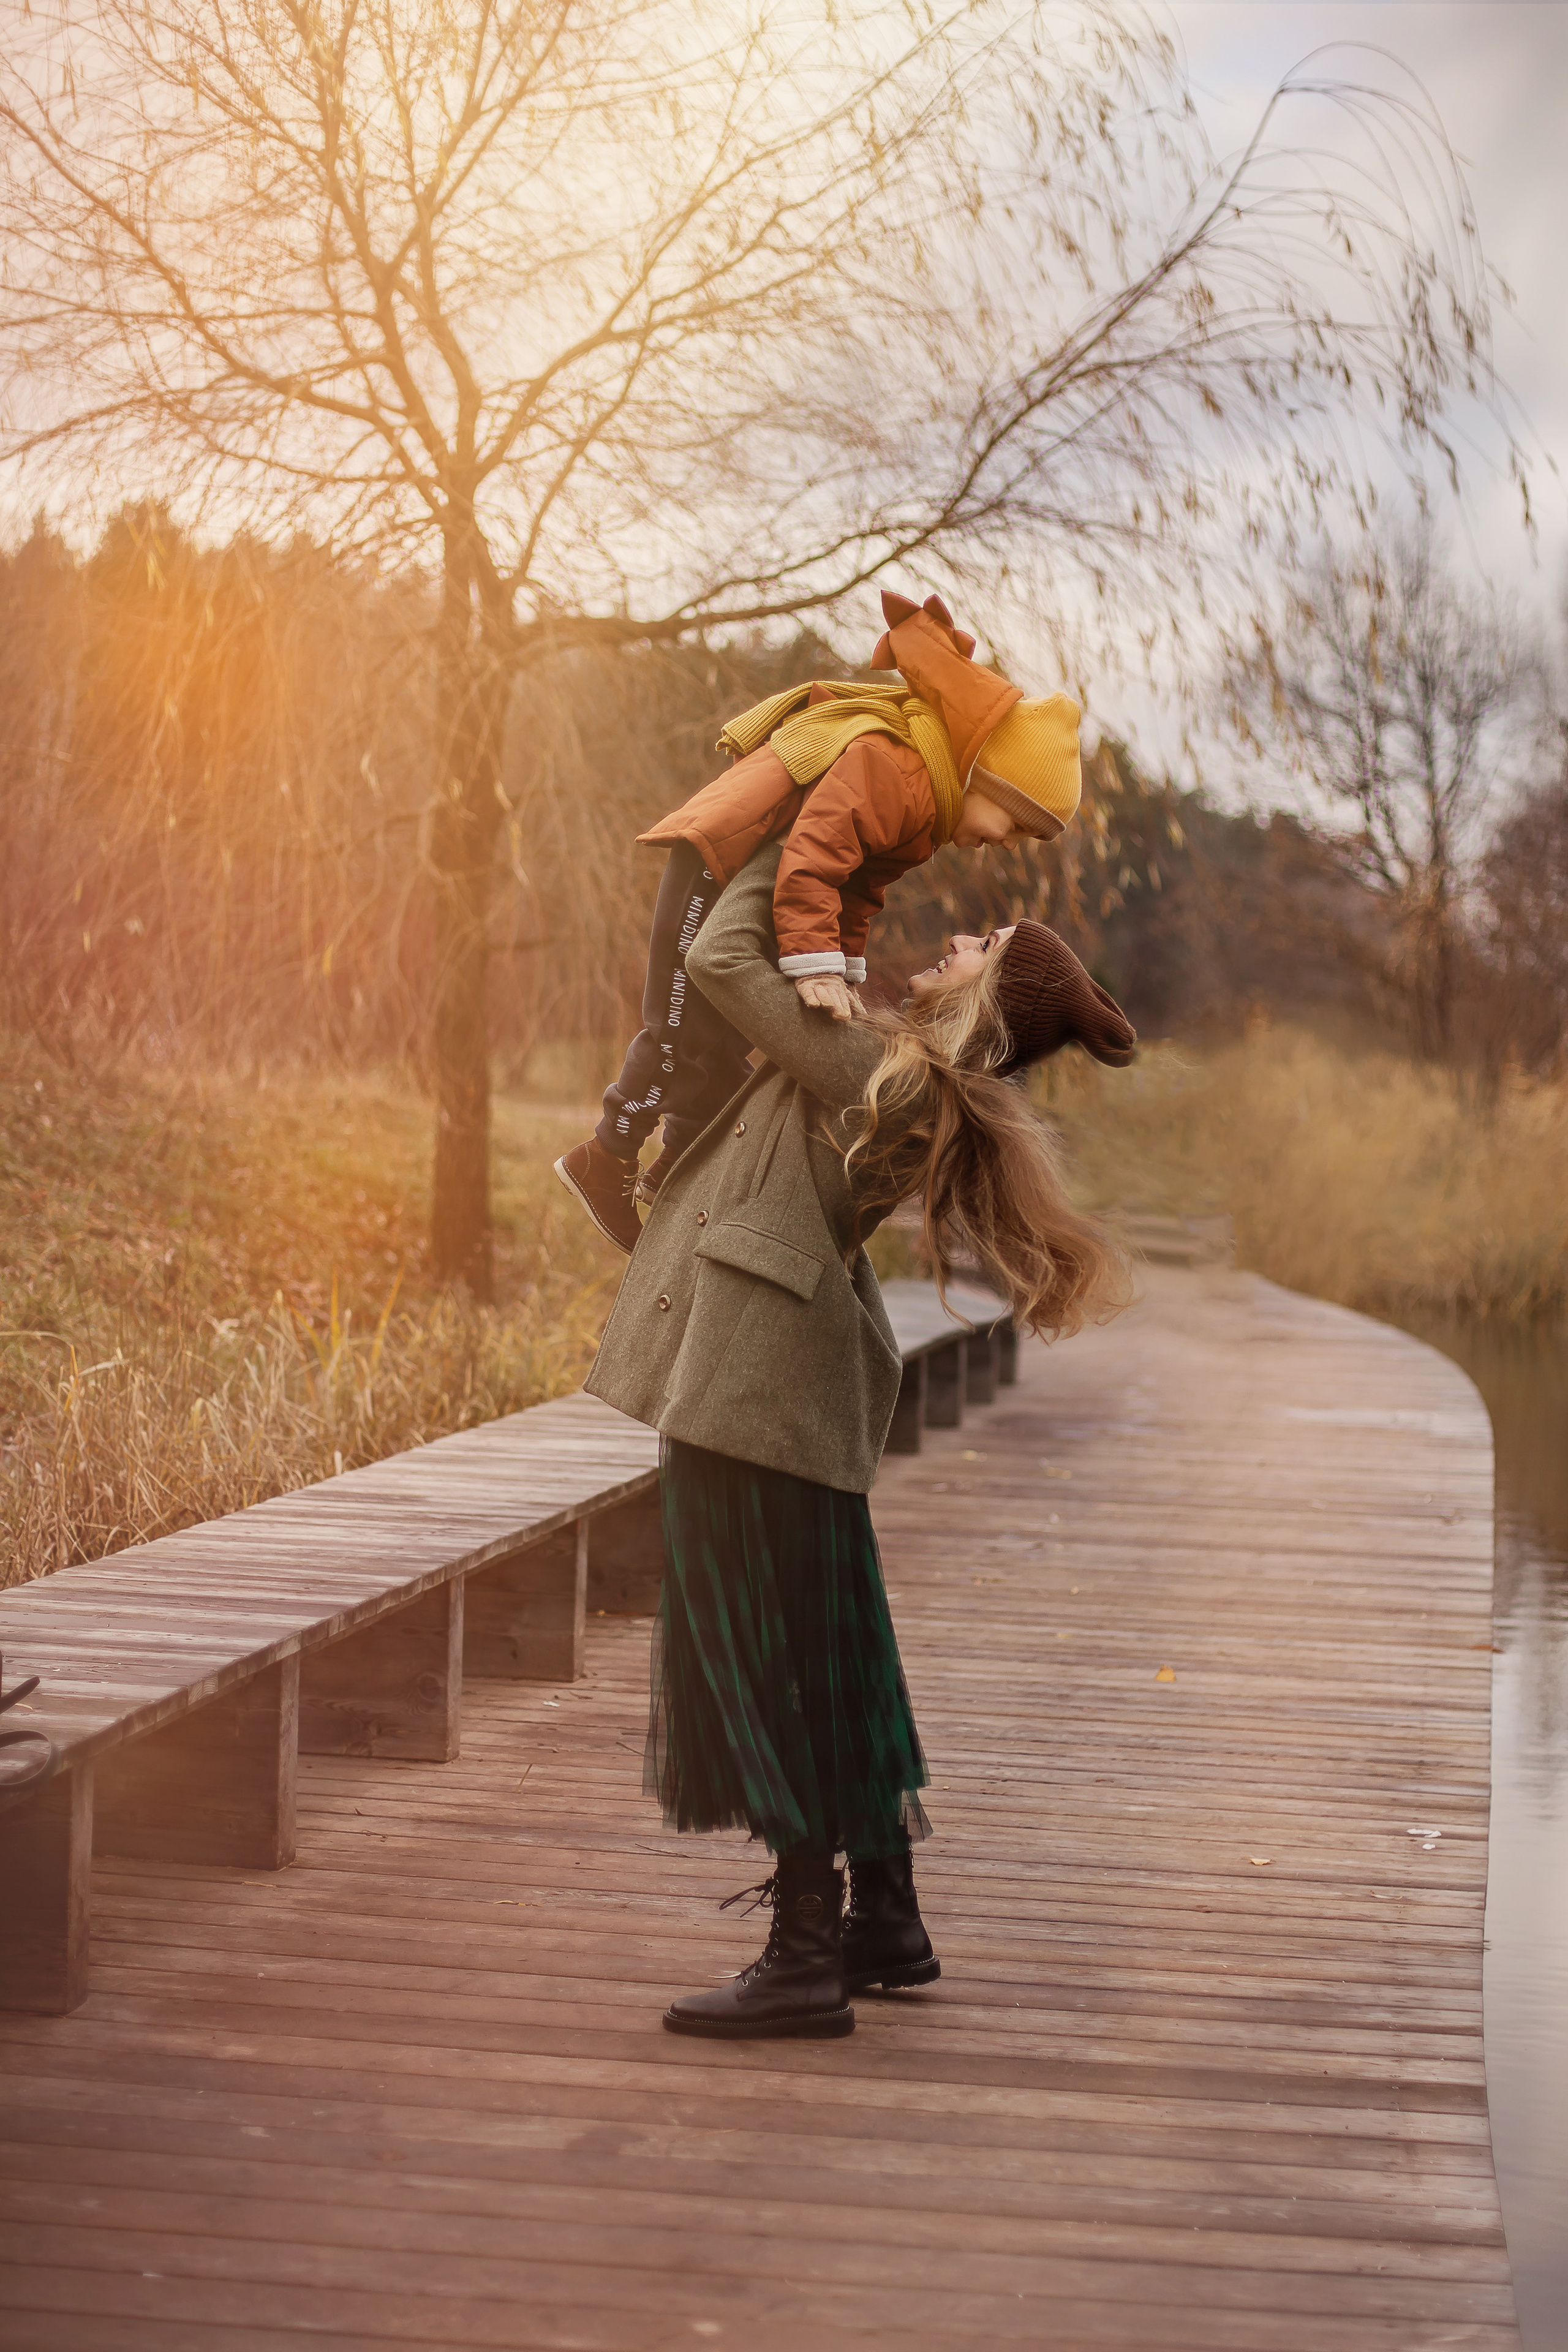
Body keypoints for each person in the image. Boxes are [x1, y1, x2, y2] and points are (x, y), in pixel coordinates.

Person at [584, 839, 1136, 2039]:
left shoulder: (886, 1072)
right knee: (830, 1647)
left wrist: (788, 839)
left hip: (755, 1381)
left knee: (766, 1654)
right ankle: (881, 1915)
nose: (957, 942)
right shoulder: (895, 1067)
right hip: (783, 1381)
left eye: (982, 947)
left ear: (990, 999)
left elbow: (719, 958)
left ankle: (801, 1953)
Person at [554, 589, 1084, 1251]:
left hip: (756, 880)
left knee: (722, 1041)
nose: (1008, 845)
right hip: (717, 862)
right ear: (989, 778)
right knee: (678, 1029)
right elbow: (815, 855)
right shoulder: (898, 772)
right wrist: (813, 963)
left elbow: (858, 891)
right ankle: (606, 1154)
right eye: (1017, 825)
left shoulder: (925, 811)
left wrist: (844, 973)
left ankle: (674, 1166)